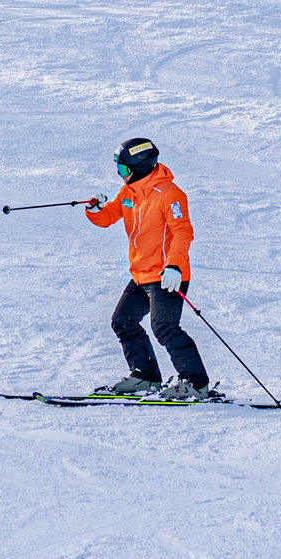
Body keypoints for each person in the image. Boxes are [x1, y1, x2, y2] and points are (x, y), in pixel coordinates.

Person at [85, 137, 210, 400]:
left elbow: (182, 231)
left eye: (123, 170)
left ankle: (196, 384)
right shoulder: (129, 193)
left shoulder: (170, 194)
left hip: (167, 275)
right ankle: (145, 377)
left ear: (139, 167)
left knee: (165, 327)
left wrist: (174, 265)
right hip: (140, 273)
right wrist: (95, 210)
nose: (120, 176)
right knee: (123, 321)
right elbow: (109, 217)